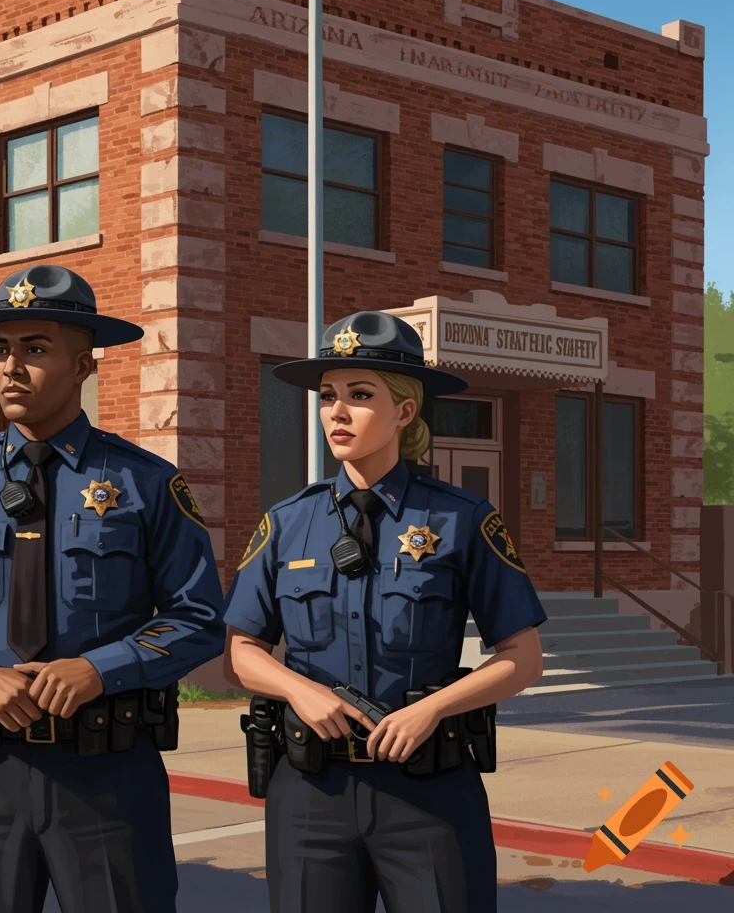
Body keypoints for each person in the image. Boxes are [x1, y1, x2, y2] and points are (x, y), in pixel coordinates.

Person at [0, 263, 226, 913]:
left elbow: (198, 617)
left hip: (108, 772)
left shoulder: (145, 483)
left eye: (34, 350)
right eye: (1, 350)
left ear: (84, 365)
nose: (10, 367)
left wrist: (100, 668)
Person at [223, 310, 546, 913]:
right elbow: (240, 652)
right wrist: (299, 691)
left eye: (360, 395)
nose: (337, 413)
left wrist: (431, 709)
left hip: (428, 791)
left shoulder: (463, 519)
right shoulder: (287, 523)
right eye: (328, 396)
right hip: (310, 792)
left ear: (404, 411)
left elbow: (523, 658)